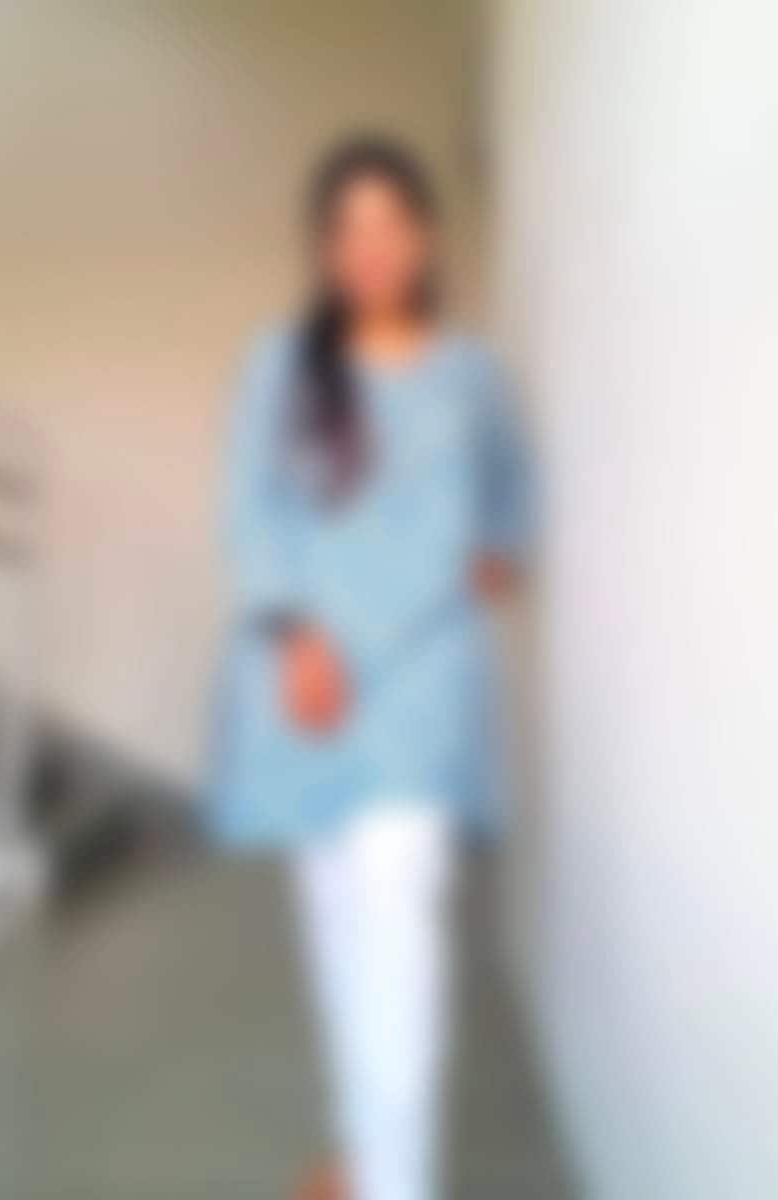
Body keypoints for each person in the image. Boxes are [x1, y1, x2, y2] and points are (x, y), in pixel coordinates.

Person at [209, 135, 534, 1200]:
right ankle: (362, 1153)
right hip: (305, 688)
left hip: (423, 689)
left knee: (401, 955)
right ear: (322, 247)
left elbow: (511, 486)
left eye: (391, 221)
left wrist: (501, 547)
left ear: (426, 236)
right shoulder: (282, 365)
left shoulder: (471, 375)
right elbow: (253, 509)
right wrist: (294, 636)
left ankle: (400, 1186)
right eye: (347, 227)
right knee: (340, 940)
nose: (371, 245)